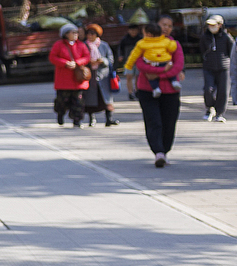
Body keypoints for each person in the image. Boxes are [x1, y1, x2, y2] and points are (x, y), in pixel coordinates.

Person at [125, 14, 186, 168]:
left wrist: (161, 73)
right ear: (155, 26)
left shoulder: (174, 44)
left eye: (169, 25)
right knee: (153, 121)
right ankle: (158, 151)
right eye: (163, 24)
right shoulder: (143, 43)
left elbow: (178, 65)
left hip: (171, 90)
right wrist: (159, 71)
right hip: (147, 89)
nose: (166, 28)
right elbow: (139, 63)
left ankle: (164, 151)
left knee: (169, 122)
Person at [49, 24, 94, 129]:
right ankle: (61, 113)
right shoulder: (58, 45)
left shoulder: (81, 45)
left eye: (76, 32)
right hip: (63, 79)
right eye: (73, 32)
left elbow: (87, 57)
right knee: (62, 100)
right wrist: (65, 63)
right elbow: (53, 57)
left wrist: (77, 63)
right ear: (66, 34)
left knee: (78, 101)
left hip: (78, 79)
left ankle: (77, 120)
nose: (75, 35)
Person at [84, 23, 117, 128]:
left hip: (103, 75)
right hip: (90, 75)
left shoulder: (104, 45)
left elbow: (111, 59)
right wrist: (88, 61)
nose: (90, 36)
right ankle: (91, 119)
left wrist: (102, 61)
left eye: (93, 34)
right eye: (89, 34)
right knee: (90, 98)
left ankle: (109, 119)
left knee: (106, 99)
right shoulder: (84, 45)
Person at [200, 14, 232, 121]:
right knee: (208, 90)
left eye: (214, 25)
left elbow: (231, 51)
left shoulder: (226, 37)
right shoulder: (205, 37)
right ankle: (210, 108)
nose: (211, 27)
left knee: (223, 91)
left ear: (220, 25)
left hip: (224, 68)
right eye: (209, 25)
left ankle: (220, 113)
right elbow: (202, 50)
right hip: (208, 67)